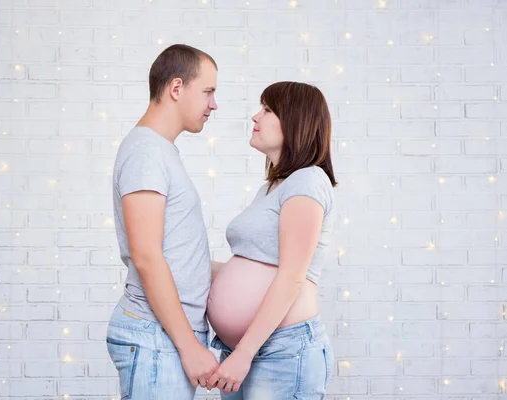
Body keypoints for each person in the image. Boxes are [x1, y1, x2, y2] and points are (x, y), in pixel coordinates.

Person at [205, 81, 337, 399]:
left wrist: (243, 354)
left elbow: (291, 278)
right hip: (251, 350)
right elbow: (252, 269)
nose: (255, 117)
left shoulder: (307, 181)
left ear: (294, 120)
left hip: (281, 352)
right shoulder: (272, 187)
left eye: (266, 109)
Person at [106, 44, 219, 399]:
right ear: (176, 88)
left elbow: (175, 252)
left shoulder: (158, 151)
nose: (213, 104)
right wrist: (189, 347)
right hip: (157, 338)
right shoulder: (146, 152)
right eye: (208, 91)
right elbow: (147, 257)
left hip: (162, 339)